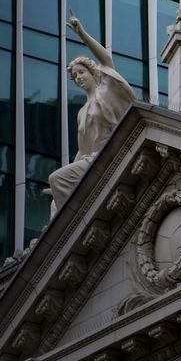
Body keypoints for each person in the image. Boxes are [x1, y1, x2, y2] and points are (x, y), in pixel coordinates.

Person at [47, 11, 135, 215]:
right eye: (75, 76)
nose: (78, 78)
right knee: (56, 194)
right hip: (90, 160)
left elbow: (106, 60)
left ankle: (75, 223)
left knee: (56, 179)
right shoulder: (82, 112)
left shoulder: (107, 90)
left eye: (81, 72)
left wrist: (82, 34)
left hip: (110, 154)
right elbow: (83, 150)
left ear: (91, 71)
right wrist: (70, 174)